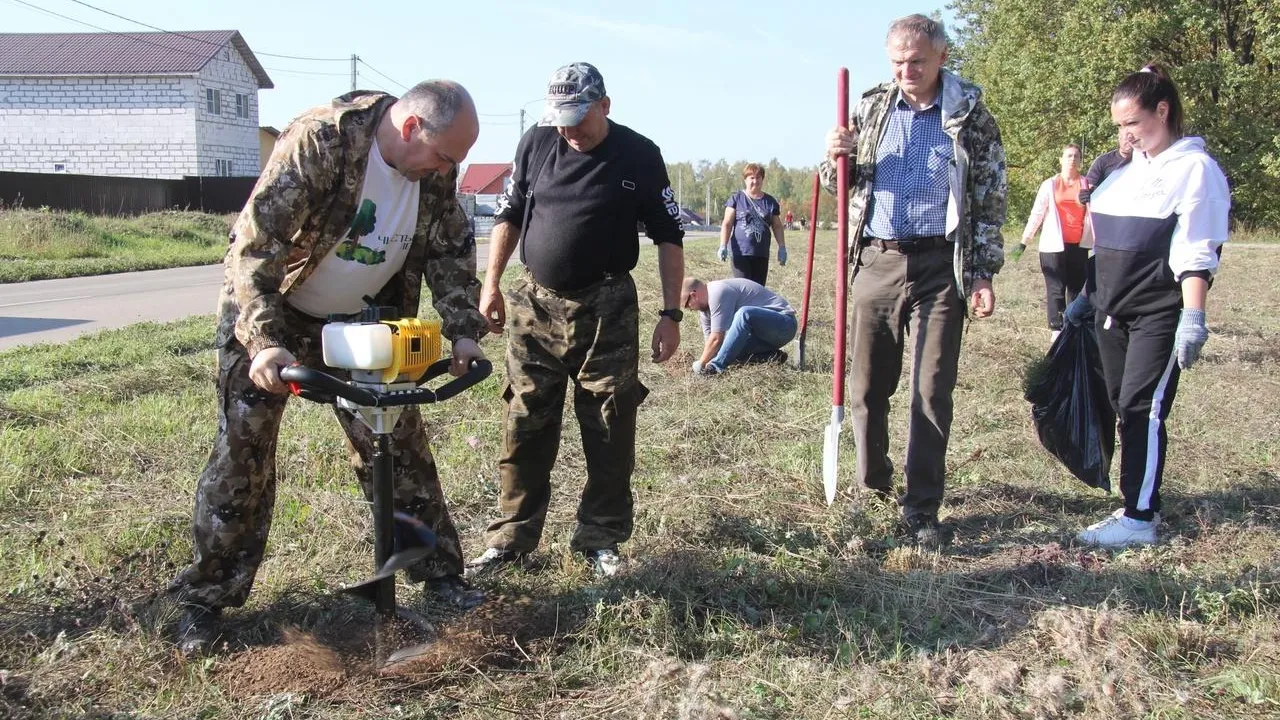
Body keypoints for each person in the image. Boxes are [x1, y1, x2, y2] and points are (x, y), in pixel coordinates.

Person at [168, 81, 490, 656]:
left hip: (362, 322)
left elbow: (449, 248)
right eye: (445, 156)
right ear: (412, 126)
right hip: (274, 313)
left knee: (397, 443)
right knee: (245, 449)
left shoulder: (434, 169)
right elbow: (253, 247)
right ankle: (203, 600)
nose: (450, 169)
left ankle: (438, 575)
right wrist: (265, 342)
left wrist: (464, 331)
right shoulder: (321, 142)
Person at [470, 62, 685, 578]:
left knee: (610, 422)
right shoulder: (536, 143)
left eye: (579, 119)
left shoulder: (640, 154)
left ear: (605, 106)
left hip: (607, 305)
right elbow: (509, 214)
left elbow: (669, 236)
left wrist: (672, 313)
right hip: (534, 304)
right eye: (560, 120)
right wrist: (491, 284)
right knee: (524, 419)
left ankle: (600, 538)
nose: (569, 131)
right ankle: (511, 540)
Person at [821, 13, 1006, 546]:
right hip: (877, 260)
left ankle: (921, 508)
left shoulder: (970, 115)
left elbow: (988, 197)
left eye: (918, 61)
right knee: (867, 387)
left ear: (942, 57)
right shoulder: (873, 107)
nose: (907, 70)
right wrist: (838, 157)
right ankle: (872, 490)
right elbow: (838, 184)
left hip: (942, 266)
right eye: (898, 62)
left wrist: (982, 272)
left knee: (931, 391)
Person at [1074, 64, 1230, 548]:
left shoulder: (1195, 170)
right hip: (1110, 312)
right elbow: (1104, 246)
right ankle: (1137, 500)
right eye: (1119, 127)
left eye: (1133, 124)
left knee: (1144, 407)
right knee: (1123, 406)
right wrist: (1086, 297)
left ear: (1162, 111)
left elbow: (1196, 250)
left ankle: (1140, 518)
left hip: (1157, 314)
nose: (1125, 136)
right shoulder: (1127, 171)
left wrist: (1193, 316)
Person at [1012, 145, 1093, 338]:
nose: (1072, 159)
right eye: (1068, 156)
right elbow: (1037, 213)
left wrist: (1093, 198)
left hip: (1078, 245)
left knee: (1076, 289)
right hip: (1052, 245)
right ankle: (1056, 332)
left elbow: (1096, 213)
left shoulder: (1086, 184)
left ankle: (1073, 331)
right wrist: (1024, 241)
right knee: (1056, 289)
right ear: (1060, 160)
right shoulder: (1050, 185)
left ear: (1080, 160)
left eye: (1076, 156)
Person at [681, 276, 796, 374]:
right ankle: (772, 357)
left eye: (687, 305)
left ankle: (715, 369)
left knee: (745, 314)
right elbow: (711, 344)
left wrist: (702, 363)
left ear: (694, 295)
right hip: (763, 336)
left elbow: (716, 338)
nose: (689, 309)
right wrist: (707, 360)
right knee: (728, 349)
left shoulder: (718, 292)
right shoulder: (705, 312)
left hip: (784, 325)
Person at [717, 164, 787, 285]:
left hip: (761, 254)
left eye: (758, 177)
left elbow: (777, 226)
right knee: (744, 289)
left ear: (762, 179)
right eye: (752, 178)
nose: (755, 181)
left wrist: (782, 247)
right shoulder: (736, 198)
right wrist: (723, 245)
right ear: (745, 180)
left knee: (758, 292)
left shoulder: (770, 202)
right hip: (741, 253)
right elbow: (727, 224)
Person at [1079, 131, 1133, 205]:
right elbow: (1088, 187)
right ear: (1119, 138)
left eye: (1131, 139)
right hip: (1108, 207)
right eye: (1125, 138)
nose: (1128, 142)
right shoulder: (1103, 161)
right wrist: (1084, 195)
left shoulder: (1144, 160)